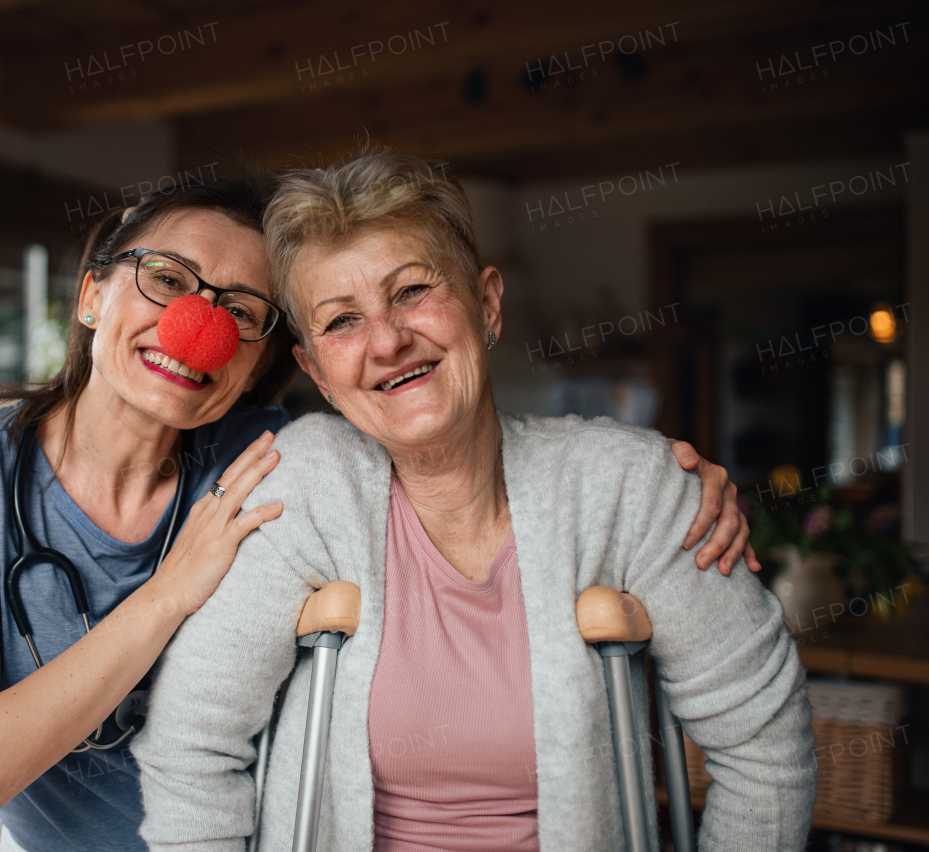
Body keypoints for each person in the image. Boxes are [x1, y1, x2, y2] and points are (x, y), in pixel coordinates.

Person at [0, 171, 756, 852]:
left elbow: (431, 424)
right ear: (90, 297)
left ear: (274, 360)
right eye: (166, 280)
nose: (199, 326)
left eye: (243, 312)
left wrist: (662, 483)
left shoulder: (270, 456)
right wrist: (166, 595)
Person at [131, 153, 817, 851]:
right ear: (317, 373)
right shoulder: (303, 487)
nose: (389, 341)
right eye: (341, 322)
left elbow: (763, 743)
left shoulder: (630, 486)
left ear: (487, 304)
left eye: (412, 292)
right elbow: (194, 746)